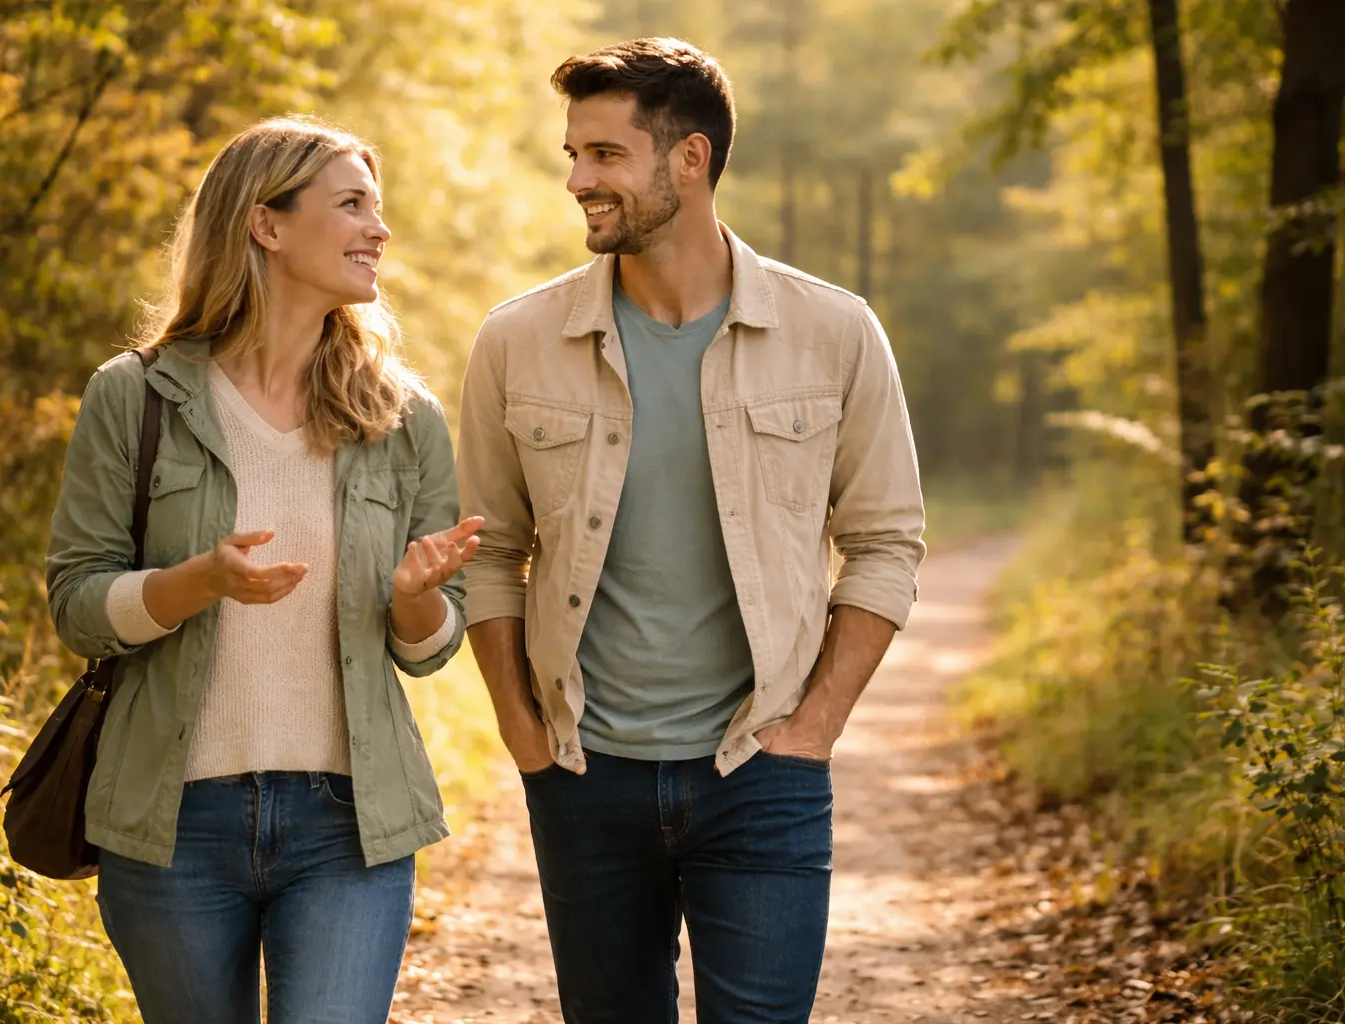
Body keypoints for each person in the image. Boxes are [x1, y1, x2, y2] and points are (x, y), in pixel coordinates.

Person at [456, 38, 926, 1023]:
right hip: (584, 774)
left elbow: (885, 541)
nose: (578, 180)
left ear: (691, 159)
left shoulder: (834, 332)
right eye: (574, 155)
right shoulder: (518, 341)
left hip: (762, 770)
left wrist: (815, 727)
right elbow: (491, 551)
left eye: (605, 154)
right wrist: (521, 732)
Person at [45, 115, 479, 1024]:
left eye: (377, 207)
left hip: (348, 825)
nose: (379, 229)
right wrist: (196, 582)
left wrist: (414, 602)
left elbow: (433, 644)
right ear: (265, 224)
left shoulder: (404, 418)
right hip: (172, 824)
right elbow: (78, 604)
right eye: (352, 204)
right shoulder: (134, 395)